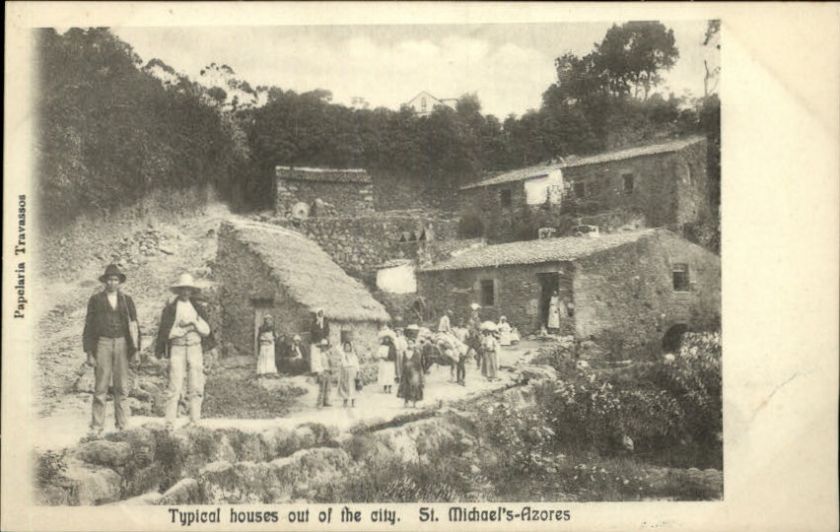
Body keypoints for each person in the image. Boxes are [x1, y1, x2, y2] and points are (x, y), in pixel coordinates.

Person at [83, 264, 140, 437]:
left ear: (120, 281)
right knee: (101, 386)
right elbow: (89, 326)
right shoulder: (96, 300)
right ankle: (96, 426)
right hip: (103, 343)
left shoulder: (126, 300)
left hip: (122, 343)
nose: (112, 282)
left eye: (115, 279)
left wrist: (135, 350)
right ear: (105, 281)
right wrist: (89, 352)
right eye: (109, 279)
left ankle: (122, 425)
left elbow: (134, 326)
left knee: (121, 386)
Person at [155, 273, 215, 430]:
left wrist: (192, 325)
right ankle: (169, 423)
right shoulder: (170, 309)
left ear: (192, 291)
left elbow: (206, 330)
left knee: (196, 384)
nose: (186, 292)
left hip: (195, 348)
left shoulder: (198, 308)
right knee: (174, 385)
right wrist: (181, 331)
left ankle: (195, 420)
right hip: (178, 348)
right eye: (183, 289)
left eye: (188, 289)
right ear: (178, 291)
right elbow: (165, 332)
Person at [398, 340, 425, 408]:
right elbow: (402, 362)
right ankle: (406, 402)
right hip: (406, 372)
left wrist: (419, 374)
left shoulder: (417, 353)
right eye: (409, 343)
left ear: (414, 344)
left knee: (414, 387)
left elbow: (419, 363)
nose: (410, 345)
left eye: (411, 343)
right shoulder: (405, 352)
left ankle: (414, 402)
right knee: (405, 387)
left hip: (414, 372)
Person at [338, 341, 360, 407]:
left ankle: (353, 402)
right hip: (345, 371)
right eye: (346, 346)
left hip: (352, 371)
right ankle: (345, 401)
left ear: (351, 347)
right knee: (345, 386)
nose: (347, 348)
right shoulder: (342, 354)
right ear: (343, 348)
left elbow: (357, 364)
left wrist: (358, 372)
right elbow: (338, 348)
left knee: (352, 386)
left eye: (348, 346)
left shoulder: (353, 355)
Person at [314, 338, 334, 408]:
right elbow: (318, 364)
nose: (324, 348)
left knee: (328, 388)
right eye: (323, 346)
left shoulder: (328, 354)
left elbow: (331, 363)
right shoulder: (319, 355)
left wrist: (331, 369)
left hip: (328, 371)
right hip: (322, 372)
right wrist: (319, 372)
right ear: (321, 347)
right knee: (322, 388)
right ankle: (320, 402)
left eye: (326, 346)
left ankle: (326, 401)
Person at [309, 308, 330, 374]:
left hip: (323, 340)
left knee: (323, 355)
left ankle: (325, 368)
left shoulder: (325, 321)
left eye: (322, 312)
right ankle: (316, 370)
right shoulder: (314, 322)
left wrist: (326, 338)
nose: (321, 314)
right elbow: (312, 330)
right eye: (319, 312)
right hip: (316, 340)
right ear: (317, 313)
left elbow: (327, 330)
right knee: (315, 355)